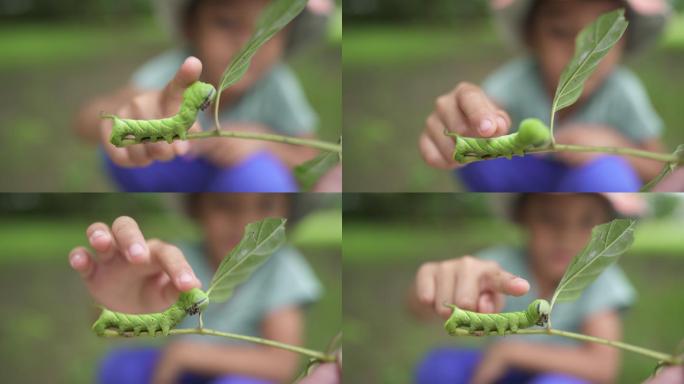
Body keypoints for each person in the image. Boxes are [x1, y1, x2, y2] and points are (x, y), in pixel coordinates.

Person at [75, 0, 332, 192]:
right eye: (227, 22)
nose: (246, 43)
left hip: (237, 185)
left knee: (262, 175)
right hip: (172, 171)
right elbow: (85, 122)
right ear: (191, 27)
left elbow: (310, 160)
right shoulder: (170, 70)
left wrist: (266, 144)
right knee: (120, 151)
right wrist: (131, 109)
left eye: (267, 30)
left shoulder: (278, 85)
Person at [419, 0, 671, 192]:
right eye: (560, 32)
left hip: (589, 185)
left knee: (607, 174)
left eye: (603, 37)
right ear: (531, 36)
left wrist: (612, 145)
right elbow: (483, 114)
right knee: (480, 162)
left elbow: (660, 167)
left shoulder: (623, 91)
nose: (581, 54)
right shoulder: (514, 82)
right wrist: (468, 122)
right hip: (527, 181)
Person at [68, 193, 322, 384]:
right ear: (198, 207)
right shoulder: (180, 256)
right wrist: (117, 303)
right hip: (178, 371)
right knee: (120, 367)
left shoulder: (283, 268)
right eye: (225, 205)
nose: (244, 222)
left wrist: (185, 353)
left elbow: (281, 363)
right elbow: (106, 326)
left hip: (236, 375)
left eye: (265, 205)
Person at [410, 194, 638, 383]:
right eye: (549, 219)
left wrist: (511, 351)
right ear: (523, 217)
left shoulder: (602, 279)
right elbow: (417, 310)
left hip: (559, 376)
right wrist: (436, 285)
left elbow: (603, 366)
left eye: (586, 221)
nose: (565, 236)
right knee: (441, 366)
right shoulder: (501, 265)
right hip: (500, 372)